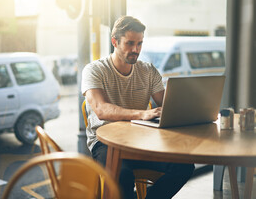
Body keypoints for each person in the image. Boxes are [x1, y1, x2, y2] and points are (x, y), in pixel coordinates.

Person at [81, 16, 195, 199]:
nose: (135, 50)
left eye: (140, 43)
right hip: (105, 143)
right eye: (130, 43)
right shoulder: (94, 70)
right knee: (123, 176)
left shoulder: (148, 70)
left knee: (184, 167)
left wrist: (191, 108)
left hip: (141, 142)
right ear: (114, 42)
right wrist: (142, 114)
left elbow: (167, 106)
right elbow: (101, 110)